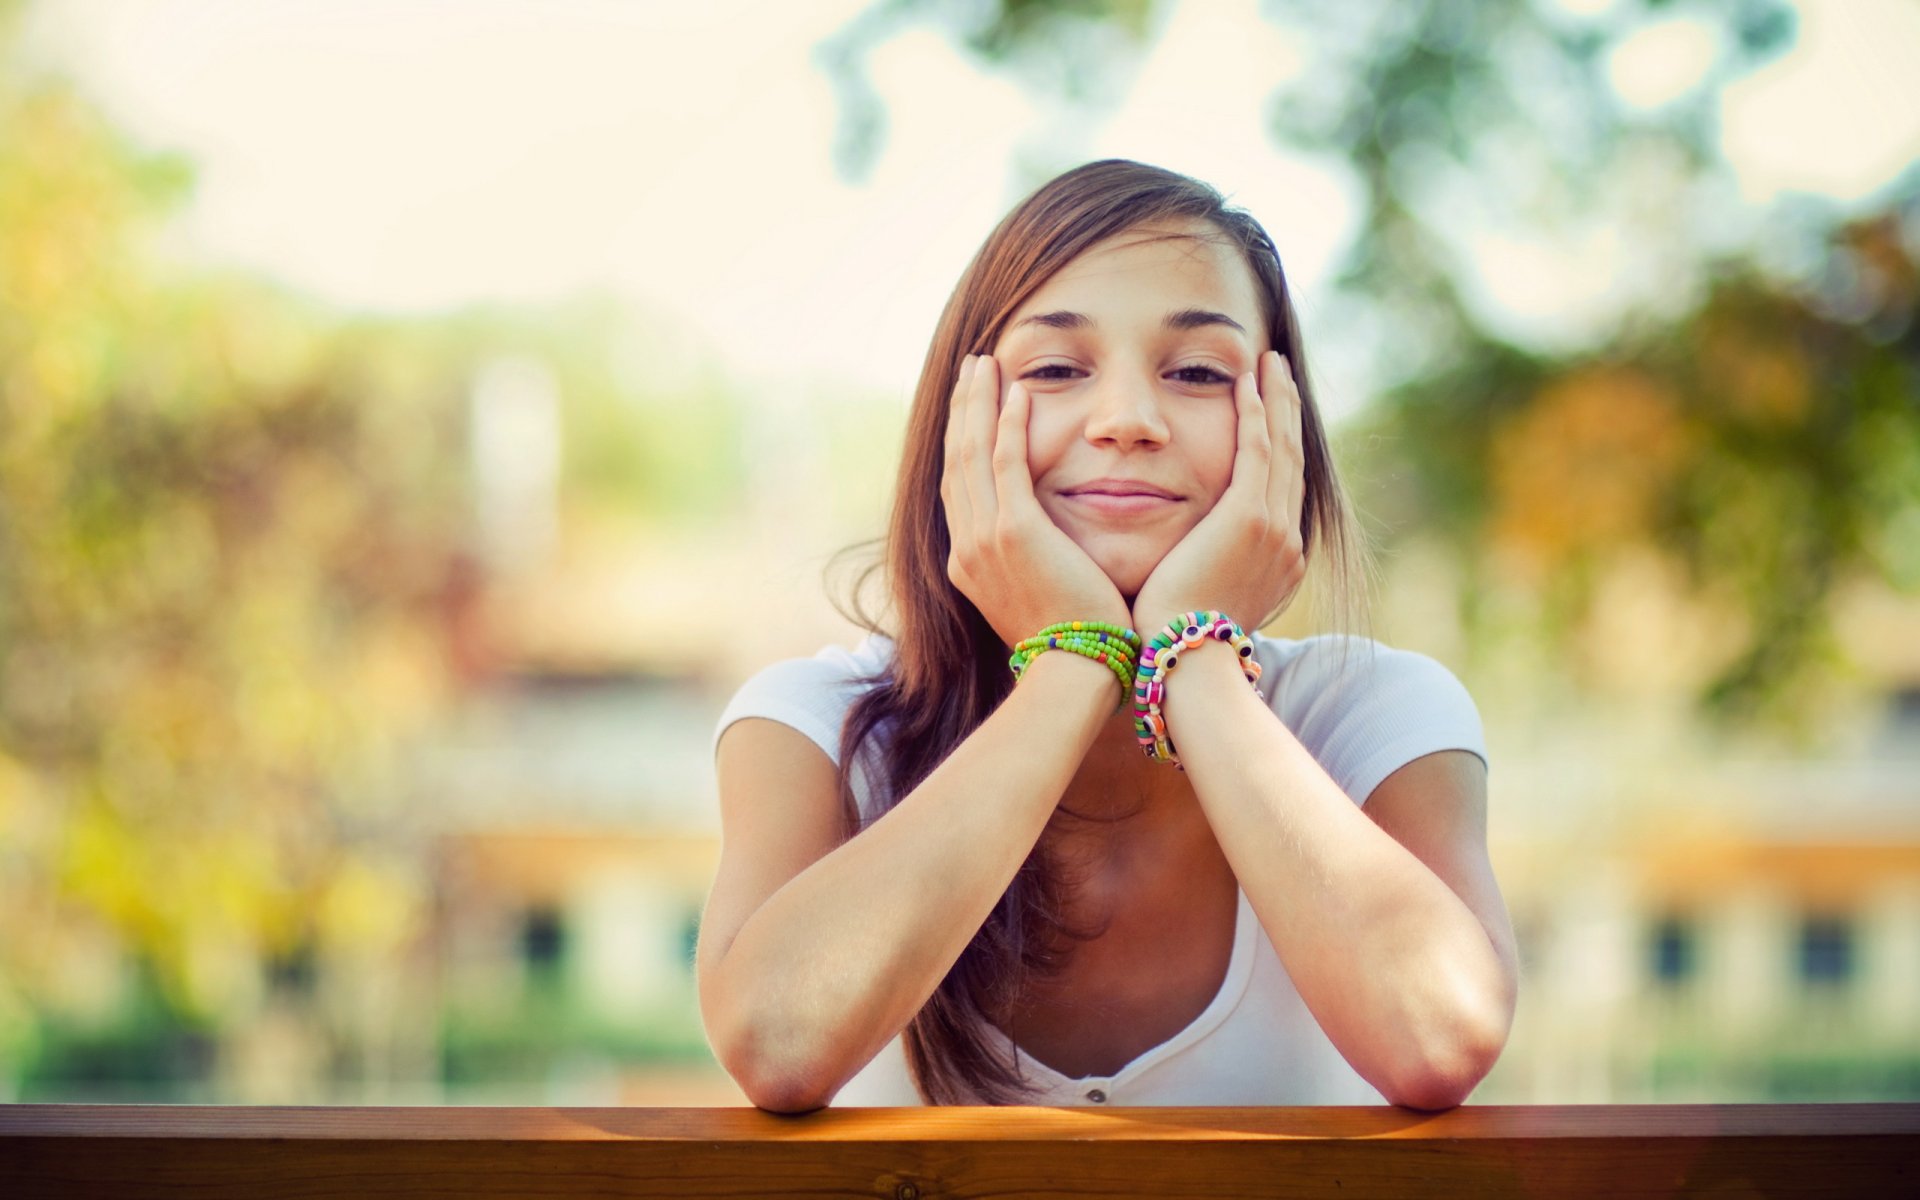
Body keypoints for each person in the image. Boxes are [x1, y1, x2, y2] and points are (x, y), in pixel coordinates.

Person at [697, 159, 1519, 1111]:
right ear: (957, 423)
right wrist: (1072, 660)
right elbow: (776, 1042)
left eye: (1199, 373)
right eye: (1055, 369)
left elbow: (1441, 1037)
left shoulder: (1372, 717)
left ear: (1281, 425)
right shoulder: (816, 726)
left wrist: (1193, 658)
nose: (1127, 420)